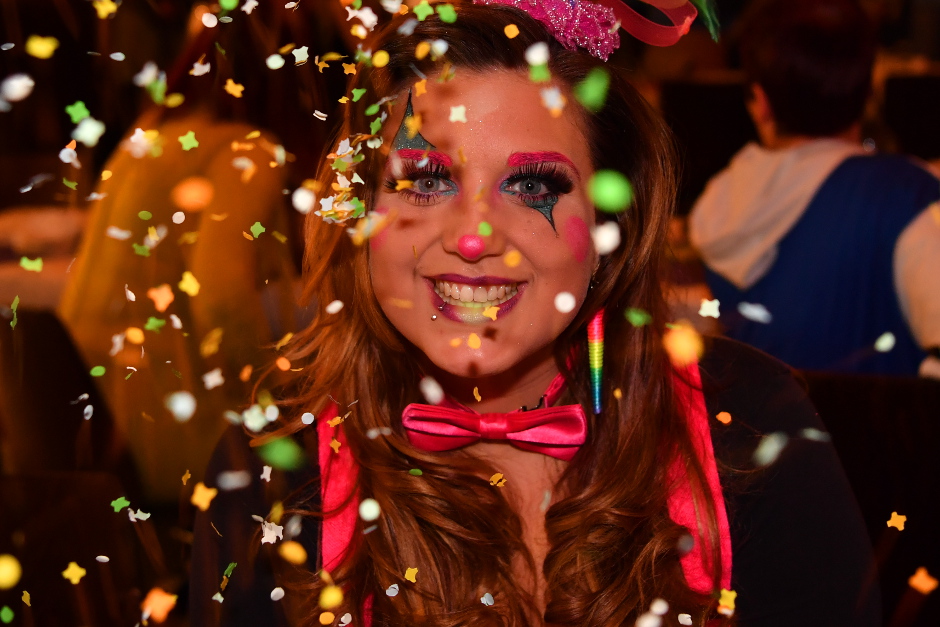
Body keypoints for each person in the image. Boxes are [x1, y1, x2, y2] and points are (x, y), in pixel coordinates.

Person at [191, 2, 880, 626]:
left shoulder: (749, 427)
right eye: (426, 181)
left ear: (611, 228)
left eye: (530, 185)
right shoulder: (275, 470)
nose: (472, 236)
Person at [689, 0, 940, 377]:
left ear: (760, 104)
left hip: (755, 433)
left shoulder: (721, 200)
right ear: (870, 89)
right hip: (873, 434)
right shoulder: (902, 194)